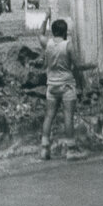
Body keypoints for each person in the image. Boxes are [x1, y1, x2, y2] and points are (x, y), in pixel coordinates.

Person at [38, 14, 83, 160]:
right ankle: (71, 149)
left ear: (53, 31)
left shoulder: (48, 44)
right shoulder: (68, 45)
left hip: (51, 85)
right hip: (66, 85)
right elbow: (77, 65)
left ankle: (44, 148)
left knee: (49, 115)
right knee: (68, 116)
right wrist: (91, 66)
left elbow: (40, 34)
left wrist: (45, 17)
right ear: (65, 32)